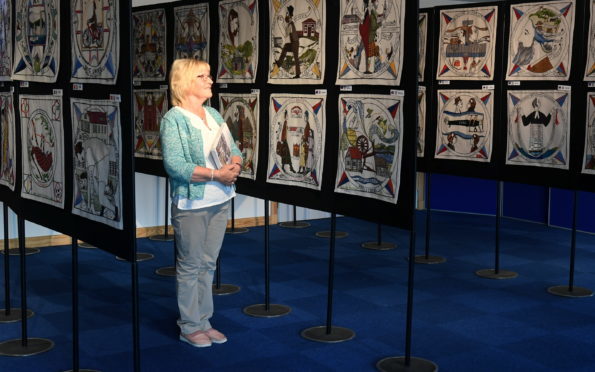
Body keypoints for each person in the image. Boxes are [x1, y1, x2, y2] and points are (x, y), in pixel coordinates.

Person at [160, 58, 242, 348]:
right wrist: (215, 174)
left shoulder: (213, 114)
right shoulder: (174, 119)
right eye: (203, 76)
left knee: (208, 264)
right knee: (191, 264)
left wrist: (234, 165)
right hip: (192, 204)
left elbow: (233, 149)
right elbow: (175, 165)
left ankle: (204, 320)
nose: (210, 80)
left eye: (209, 76)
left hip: (221, 199)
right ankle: (189, 325)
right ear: (185, 83)